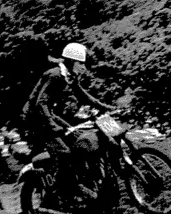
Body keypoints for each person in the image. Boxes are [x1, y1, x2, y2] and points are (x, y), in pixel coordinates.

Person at [23, 42, 116, 201]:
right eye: (81, 63)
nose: (83, 68)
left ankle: (82, 179)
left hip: (48, 115)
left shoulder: (70, 76)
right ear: (71, 61)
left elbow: (83, 95)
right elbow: (41, 103)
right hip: (35, 119)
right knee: (65, 152)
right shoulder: (55, 75)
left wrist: (105, 107)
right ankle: (68, 188)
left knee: (79, 138)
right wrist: (52, 125)